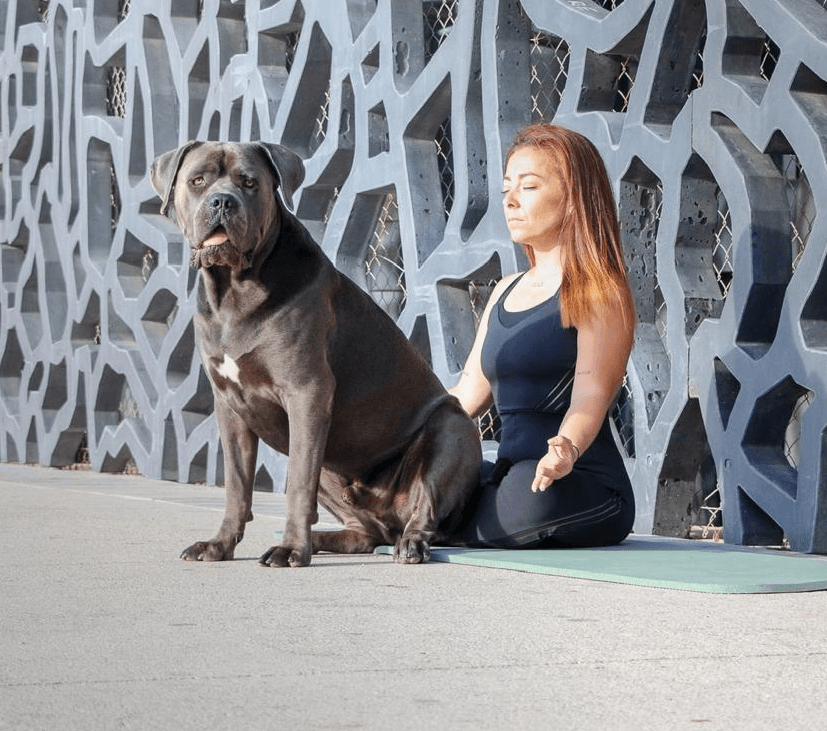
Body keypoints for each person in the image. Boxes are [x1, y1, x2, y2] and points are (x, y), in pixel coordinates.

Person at [449, 123, 635, 548]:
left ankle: (449, 521)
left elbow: (591, 395)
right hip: (510, 475)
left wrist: (566, 448)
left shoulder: (599, 290)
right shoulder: (503, 290)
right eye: (506, 188)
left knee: (522, 500)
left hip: (578, 482)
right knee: (439, 485)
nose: (510, 200)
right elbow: (465, 398)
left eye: (529, 187)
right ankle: (452, 517)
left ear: (574, 198)